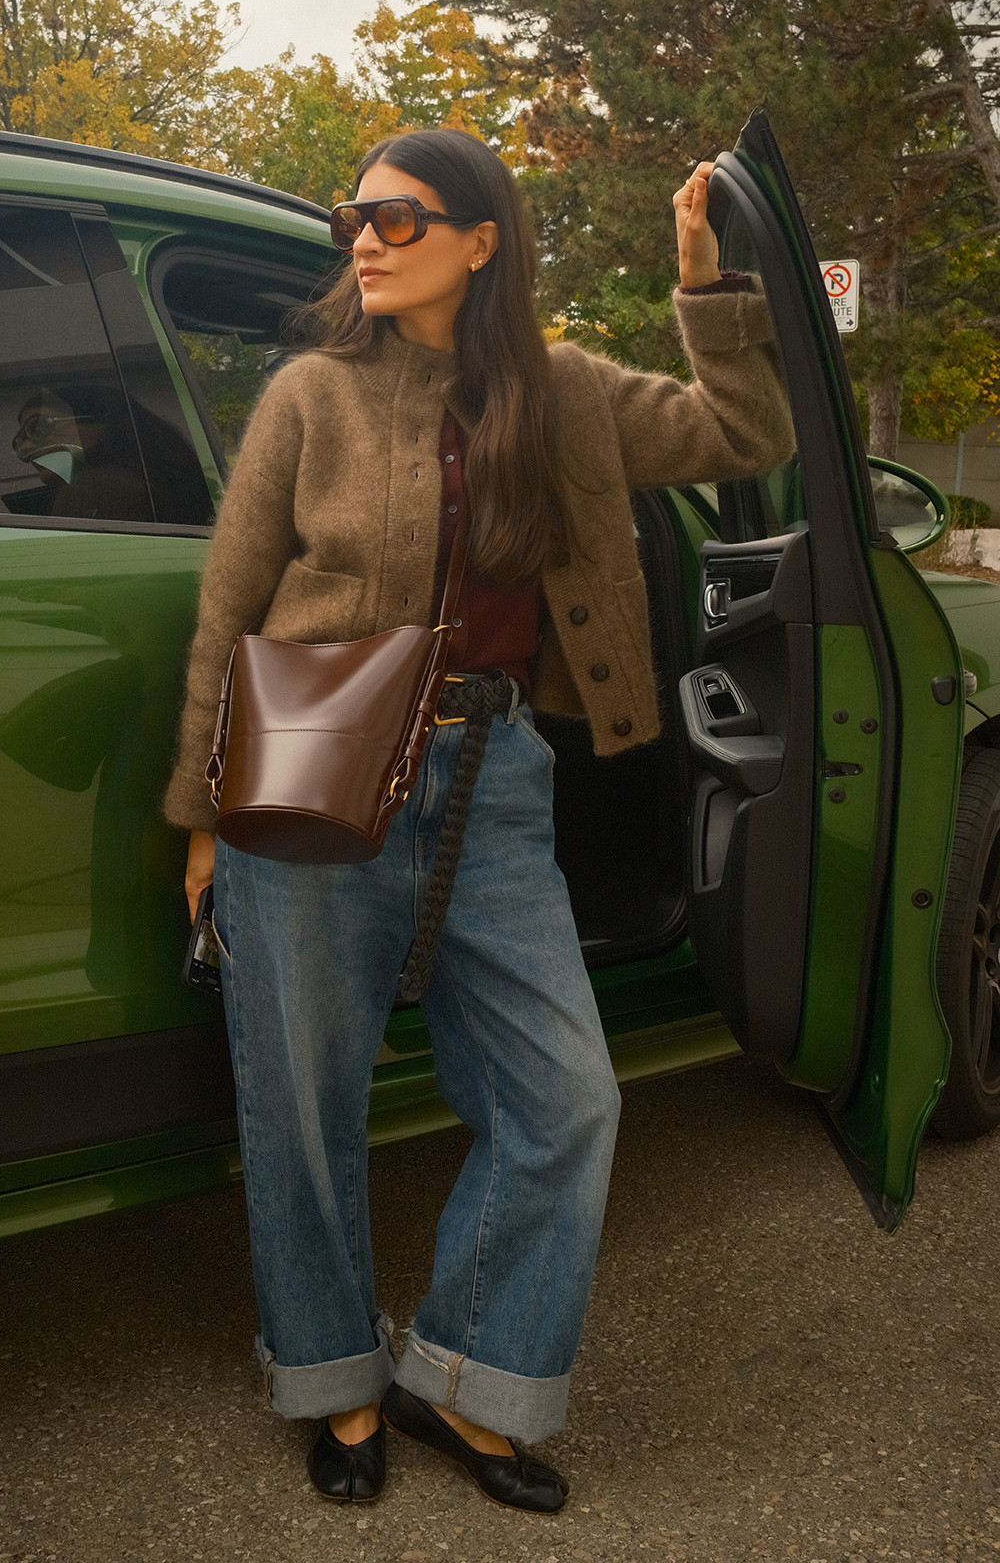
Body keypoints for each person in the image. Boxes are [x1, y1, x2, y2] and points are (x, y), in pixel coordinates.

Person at [163, 128, 793, 1512]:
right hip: (311, 782)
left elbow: (748, 434)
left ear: (481, 238)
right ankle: (331, 1387)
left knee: (566, 1096)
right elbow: (228, 606)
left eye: (398, 217)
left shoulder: (563, 393)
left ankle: (466, 1378)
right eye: (354, 221)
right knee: (305, 1108)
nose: (367, 241)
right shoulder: (308, 399)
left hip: (494, 781)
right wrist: (202, 815)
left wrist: (706, 285)